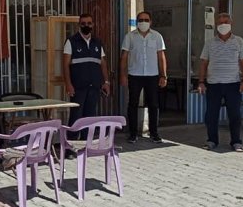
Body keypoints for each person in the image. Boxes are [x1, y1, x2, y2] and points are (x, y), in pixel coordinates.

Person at [198, 12, 243, 152]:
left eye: (226, 22)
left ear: (231, 24)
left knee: (235, 115)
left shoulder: (239, 41)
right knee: (211, 115)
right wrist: (201, 82)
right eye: (220, 22)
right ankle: (211, 140)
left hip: (233, 84)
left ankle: (236, 142)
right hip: (213, 84)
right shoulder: (210, 43)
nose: (223, 25)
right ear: (216, 25)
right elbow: (203, 63)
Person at [120, 11, 167, 143]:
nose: (143, 22)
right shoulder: (130, 36)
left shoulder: (157, 36)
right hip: (135, 75)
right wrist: (123, 75)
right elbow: (124, 57)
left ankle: (154, 133)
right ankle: (133, 133)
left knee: (153, 104)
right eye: (140, 20)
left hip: (152, 75)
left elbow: (161, 57)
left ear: (151, 22)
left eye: (146, 20)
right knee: (133, 104)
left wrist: (163, 75)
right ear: (137, 22)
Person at [63, 13, 110, 140]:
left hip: (94, 86)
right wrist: (68, 84)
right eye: (83, 23)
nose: (86, 26)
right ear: (79, 25)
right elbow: (65, 65)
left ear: (93, 24)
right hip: (78, 87)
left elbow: (103, 63)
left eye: (89, 23)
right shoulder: (71, 41)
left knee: (89, 117)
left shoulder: (97, 42)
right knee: (76, 116)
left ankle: (86, 144)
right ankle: (70, 145)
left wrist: (106, 82)